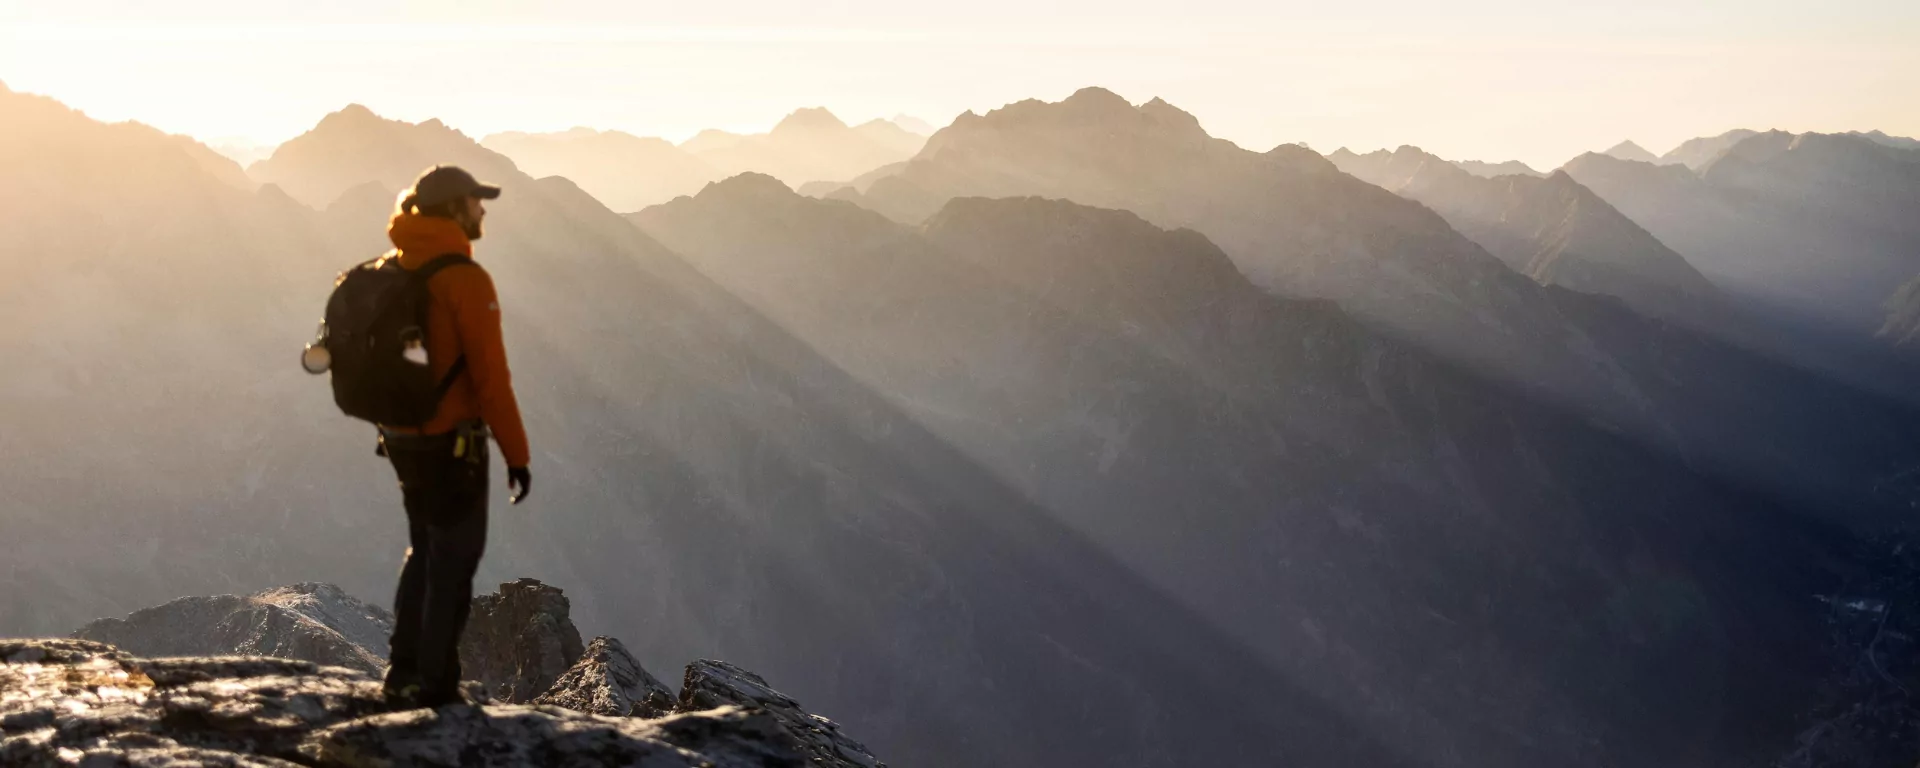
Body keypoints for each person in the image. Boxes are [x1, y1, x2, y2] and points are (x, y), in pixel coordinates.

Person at [377, 164, 532, 708]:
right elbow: (492, 381)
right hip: (451, 445)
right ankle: (434, 686)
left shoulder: (394, 266)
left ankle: (403, 669)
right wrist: (518, 456)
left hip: (400, 439)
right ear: (453, 209)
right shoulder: (466, 280)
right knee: (456, 558)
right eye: (475, 201)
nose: (483, 209)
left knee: (425, 547)